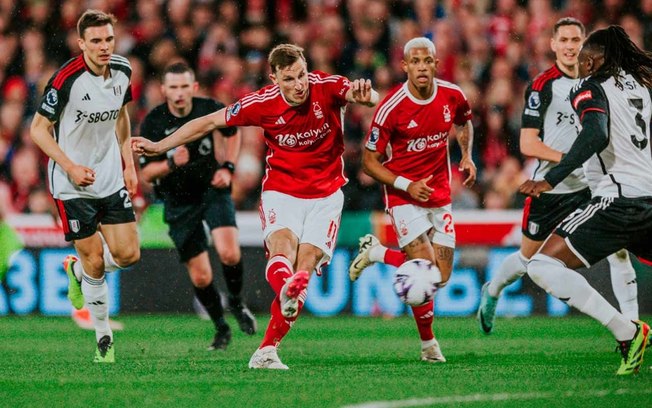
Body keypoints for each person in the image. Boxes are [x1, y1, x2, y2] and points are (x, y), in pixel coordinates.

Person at [132, 43, 378, 369]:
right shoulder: (261, 104)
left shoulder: (328, 87)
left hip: (326, 195)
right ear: (275, 78)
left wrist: (368, 96)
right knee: (283, 247)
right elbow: (207, 123)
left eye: (302, 75)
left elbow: (372, 98)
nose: (299, 84)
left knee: (304, 265)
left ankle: (266, 350)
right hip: (282, 191)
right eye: (289, 79)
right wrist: (159, 146)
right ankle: (286, 297)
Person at [477, 18, 639, 334]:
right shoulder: (543, 86)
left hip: (593, 186)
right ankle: (493, 290)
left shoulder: (600, 81)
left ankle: (634, 328)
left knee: (619, 252)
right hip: (551, 190)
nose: (569, 46)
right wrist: (569, 160)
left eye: (575, 40)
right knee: (527, 260)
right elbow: (527, 143)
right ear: (552, 45)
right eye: (563, 40)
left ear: (584, 44)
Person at [519, 25, 651, 375]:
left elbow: (595, 132)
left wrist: (550, 178)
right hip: (648, 198)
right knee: (620, 258)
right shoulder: (639, 86)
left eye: (583, 57)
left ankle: (628, 332)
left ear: (592, 60)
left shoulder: (588, 87)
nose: (579, 63)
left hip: (617, 201)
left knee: (541, 266)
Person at [348, 37, 476, 363]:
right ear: (405, 66)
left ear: (435, 64)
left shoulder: (453, 95)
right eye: (415, 62)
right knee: (423, 267)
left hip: (439, 193)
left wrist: (467, 155)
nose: (422, 67)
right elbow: (369, 162)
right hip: (403, 196)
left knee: (440, 277)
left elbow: (464, 121)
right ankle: (429, 346)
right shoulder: (391, 107)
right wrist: (406, 183)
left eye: (427, 61)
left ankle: (376, 252)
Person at [30, 10, 140, 363]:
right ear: (81, 44)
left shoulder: (123, 69)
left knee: (128, 255)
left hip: (108, 178)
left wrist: (129, 163)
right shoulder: (66, 79)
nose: (104, 46)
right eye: (95, 41)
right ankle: (103, 337)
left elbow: (122, 114)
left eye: (108, 39)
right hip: (71, 184)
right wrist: (71, 167)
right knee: (94, 257)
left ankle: (75, 272)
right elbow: (37, 130)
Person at [138, 62, 256, 350]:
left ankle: (238, 303)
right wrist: (169, 163)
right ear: (164, 90)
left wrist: (228, 166)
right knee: (201, 275)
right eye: (173, 87)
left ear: (193, 88)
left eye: (183, 87)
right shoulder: (153, 122)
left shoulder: (209, 108)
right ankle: (221, 327)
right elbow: (146, 174)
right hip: (178, 200)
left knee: (229, 252)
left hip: (212, 190)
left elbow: (233, 132)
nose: (179, 93)